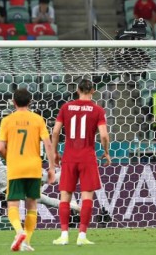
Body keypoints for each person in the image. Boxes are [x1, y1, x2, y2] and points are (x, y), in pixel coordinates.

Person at [52, 79, 111, 246]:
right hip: (87, 157)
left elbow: (55, 132)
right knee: (87, 197)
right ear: (93, 91)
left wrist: (55, 152)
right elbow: (104, 135)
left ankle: (64, 235)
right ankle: (82, 236)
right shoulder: (98, 110)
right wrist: (106, 152)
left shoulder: (66, 107)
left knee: (65, 197)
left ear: (77, 90)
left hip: (69, 156)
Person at [0, 88, 56, 252]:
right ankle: (26, 242)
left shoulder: (7, 121)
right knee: (32, 206)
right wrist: (51, 168)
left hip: (16, 167)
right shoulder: (38, 119)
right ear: (30, 102)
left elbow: (0, 148)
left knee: (12, 204)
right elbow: (48, 144)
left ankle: (19, 231)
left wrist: (10, 158)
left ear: (13, 102)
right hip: (34, 167)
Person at [0, 144, 81, 215]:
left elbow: (4, 149)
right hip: (6, 188)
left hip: (15, 174)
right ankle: (72, 206)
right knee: (40, 198)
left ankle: (69, 172)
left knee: (42, 176)